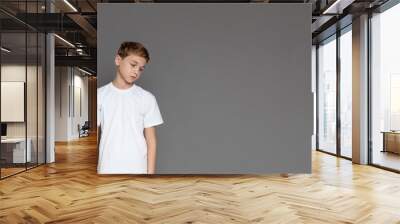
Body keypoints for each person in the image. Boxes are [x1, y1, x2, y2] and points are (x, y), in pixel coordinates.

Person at [97, 41, 163, 174]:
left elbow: (151, 140)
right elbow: (95, 136)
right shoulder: (100, 95)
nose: (136, 71)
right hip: (107, 168)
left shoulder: (147, 98)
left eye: (140, 68)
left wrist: (150, 175)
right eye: (133, 65)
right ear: (118, 60)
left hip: (138, 169)